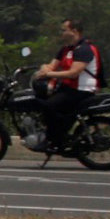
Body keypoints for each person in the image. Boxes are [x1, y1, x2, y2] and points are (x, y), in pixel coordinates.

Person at [32, 17, 101, 146]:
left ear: (74, 31)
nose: (61, 33)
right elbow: (52, 65)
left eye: (64, 30)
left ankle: (56, 137)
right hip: (68, 89)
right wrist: (43, 69)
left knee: (48, 106)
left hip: (81, 90)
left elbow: (73, 73)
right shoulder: (66, 49)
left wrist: (49, 74)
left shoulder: (84, 49)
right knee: (39, 100)